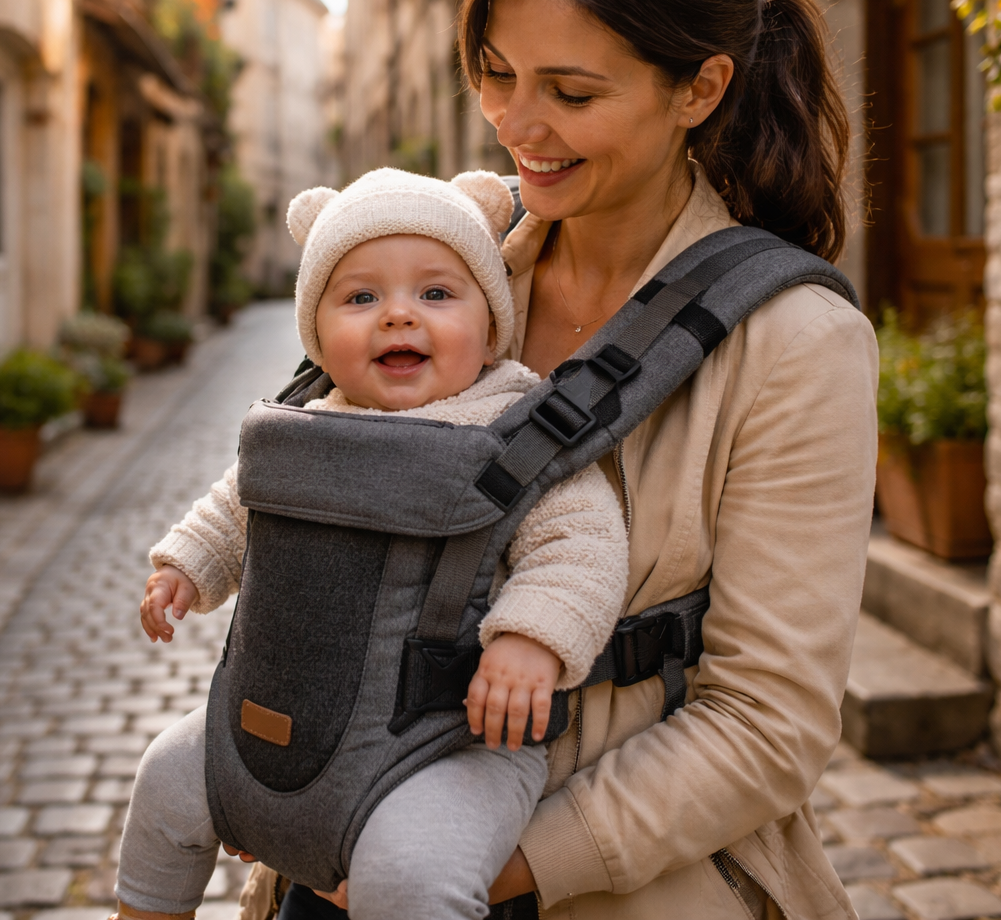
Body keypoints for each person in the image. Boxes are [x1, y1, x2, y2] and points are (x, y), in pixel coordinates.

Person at [240, 0, 879, 918]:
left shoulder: (796, 342)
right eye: (496, 73)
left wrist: (461, 870)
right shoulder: (445, 264)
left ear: (700, 88)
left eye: (572, 93)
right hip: (335, 841)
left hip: (597, 884)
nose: (515, 127)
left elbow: (767, 725)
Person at [112, 167, 631, 920]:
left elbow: (582, 541)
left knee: (410, 876)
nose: (398, 317)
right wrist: (186, 566)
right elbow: (237, 505)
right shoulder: (309, 424)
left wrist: (532, 639)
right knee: (166, 780)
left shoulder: (511, 429)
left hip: (448, 741)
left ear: (490, 325)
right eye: (361, 297)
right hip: (297, 718)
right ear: (317, 334)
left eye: (436, 293)